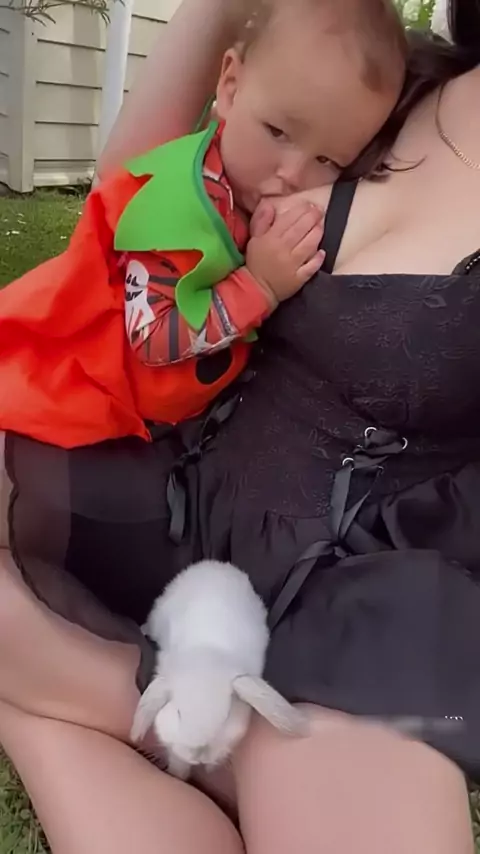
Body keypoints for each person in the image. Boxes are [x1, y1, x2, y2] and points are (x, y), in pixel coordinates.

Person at [1, 1, 480, 853]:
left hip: (346, 606)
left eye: (321, 160)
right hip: (177, 493)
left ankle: (79, 694)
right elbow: (134, 203)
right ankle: (124, 706)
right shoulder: (392, 77)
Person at [0, 0, 404, 449]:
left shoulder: (242, 188)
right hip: (88, 389)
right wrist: (259, 286)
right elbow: (152, 337)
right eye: (277, 131)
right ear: (230, 87)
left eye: (328, 160)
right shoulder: (177, 203)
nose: (293, 174)